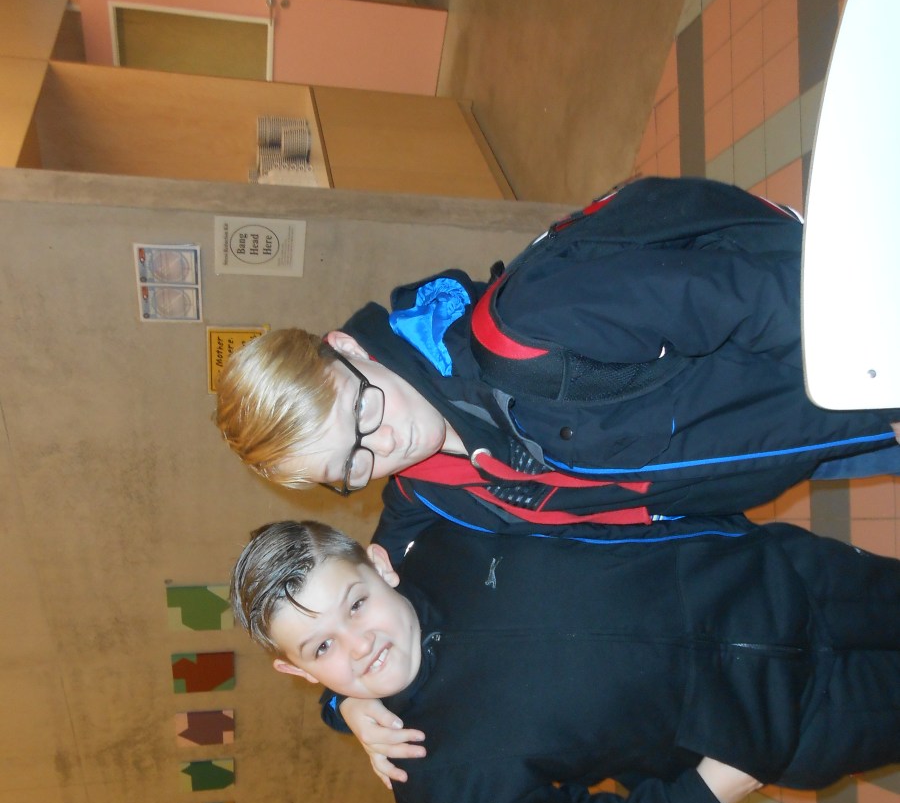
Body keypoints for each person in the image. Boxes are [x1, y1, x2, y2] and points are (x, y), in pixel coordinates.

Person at [215, 176, 900, 565]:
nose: (385, 447)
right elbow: (370, 595)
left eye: (361, 414)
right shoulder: (430, 488)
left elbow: (753, 297)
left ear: (349, 348)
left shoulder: (530, 329)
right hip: (803, 444)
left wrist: (879, 385)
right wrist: (351, 705)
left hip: (849, 362)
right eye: (349, 468)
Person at [230, 517, 900, 803]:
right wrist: (707, 792)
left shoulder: (447, 529)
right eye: (322, 648)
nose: (360, 645)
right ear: (298, 671)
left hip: (786, 577)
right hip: (788, 725)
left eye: (356, 604)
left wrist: (342, 708)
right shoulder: (434, 781)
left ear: (380, 564)